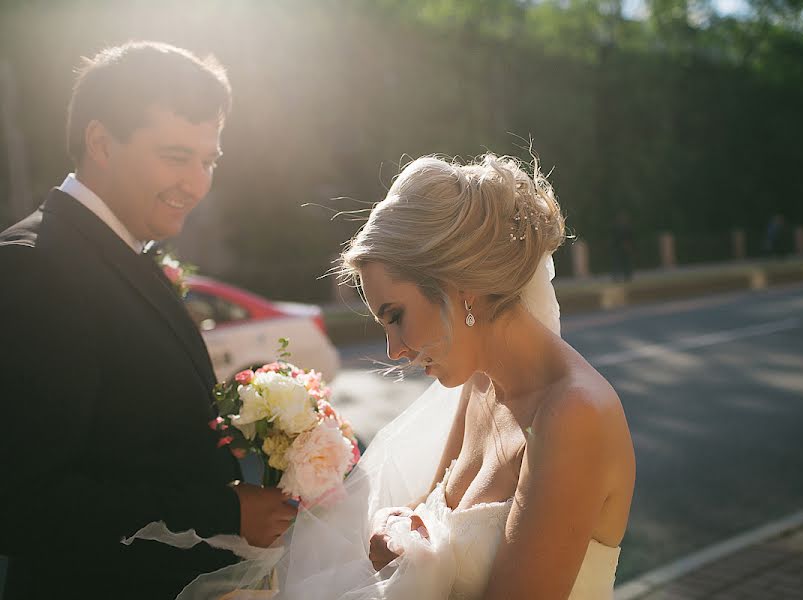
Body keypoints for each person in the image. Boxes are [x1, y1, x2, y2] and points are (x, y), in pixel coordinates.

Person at [175, 154, 635, 600]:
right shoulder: (479, 385)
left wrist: (404, 558)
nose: (394, 350)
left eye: (395, 316)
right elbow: (421, 517)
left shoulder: (573, 416)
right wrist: (390, 536)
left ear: (460, 287)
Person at [0, 41, 295, 600]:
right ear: (101, 142)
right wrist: (223, 510)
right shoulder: (34, 265)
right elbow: (20, 498)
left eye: (208, 161)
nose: (196, 183)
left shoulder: (122, 252)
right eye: (176, 156)